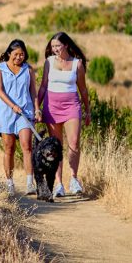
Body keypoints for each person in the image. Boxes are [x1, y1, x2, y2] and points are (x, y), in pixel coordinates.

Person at [38, 32, 91, 197]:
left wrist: (88, 111)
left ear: (66, 45)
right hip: (51, 107)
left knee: (74, 143)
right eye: (53, 46)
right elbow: (43, 86)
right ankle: (58, 184)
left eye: (58, 46)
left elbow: (83, 89)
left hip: (71, 107)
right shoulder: (49, 62)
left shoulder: (77, 64)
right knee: (55, 147)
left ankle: (73, 179)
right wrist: (36, 107)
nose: (55, 49)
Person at [0, 39, 40, 195]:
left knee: (27, 146)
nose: (19, 57)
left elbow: (33, 91)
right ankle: (10, 183)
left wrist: (37, 109)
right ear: (8, 53)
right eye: (16, 54)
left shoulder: (28, 70)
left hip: (25, 112)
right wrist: (12, 106)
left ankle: (29, 183)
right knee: (9, 148)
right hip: (6, 113)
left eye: (22, 54)